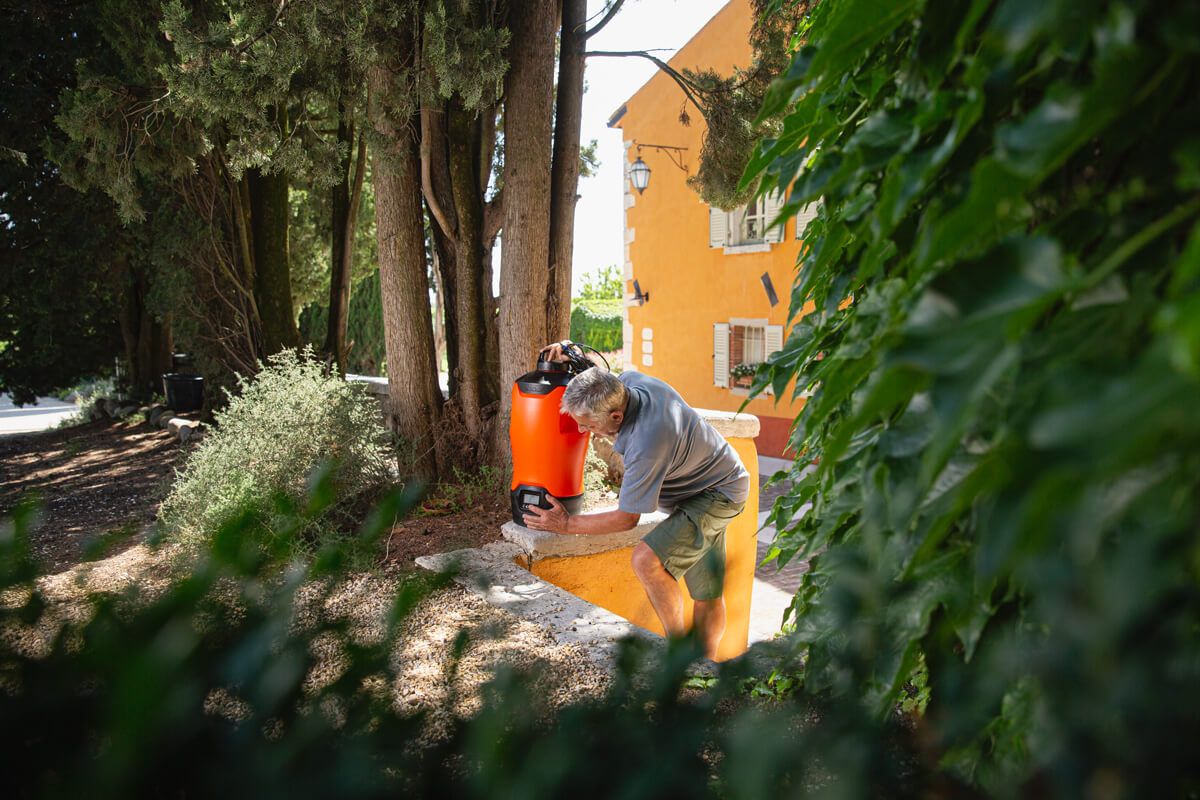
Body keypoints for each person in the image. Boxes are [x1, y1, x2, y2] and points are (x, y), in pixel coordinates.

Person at [522, 342, 750, 660]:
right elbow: (598, 381)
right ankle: (705, 666)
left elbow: (626, 519)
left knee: (646, 561)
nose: (582, 429)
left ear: (616, 416)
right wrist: (570, 353)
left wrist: (566, 524)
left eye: (588, 425)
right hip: (714, 480)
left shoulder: (647, 442)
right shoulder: (626, 385)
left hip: (717, 494)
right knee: (707, 593)